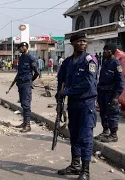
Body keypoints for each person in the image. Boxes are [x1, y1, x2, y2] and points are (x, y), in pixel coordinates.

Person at [56, 33, 97, 180]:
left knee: (85, 137)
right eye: (79, 41)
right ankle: (75, 165)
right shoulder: (67, 62)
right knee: (74, 135)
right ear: (72, 43)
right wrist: (58, 100)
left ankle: (85, 171)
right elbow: (60, 81)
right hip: (72, 104)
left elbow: (88, 84)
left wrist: (66, 91)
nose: (83, 44)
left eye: (85, 41)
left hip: (87, 104)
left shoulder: (89, 60)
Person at [94, 44, 124, 143]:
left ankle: (113, 135)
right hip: (103, 92)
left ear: (111, 51)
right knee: (103, 113)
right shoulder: (106, 62)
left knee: (112, 114)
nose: (104, 52)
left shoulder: (116, 63)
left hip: (111, 94)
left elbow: (120, 81)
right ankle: (105, 131)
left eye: (105, 50)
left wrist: (116, 96)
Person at [10, 42, 39, 133]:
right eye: (19, 48)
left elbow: (36, 72)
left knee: (26, 105)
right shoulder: (21, 58)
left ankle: (28, 125)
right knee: (23, 104)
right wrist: (15, 81)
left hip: (26, 84)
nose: (20, 49)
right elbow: (19, 72)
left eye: (22, 47)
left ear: (25, 47)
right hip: (20, 83)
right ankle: (24, 122)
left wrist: (30, 80)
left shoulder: (31, 58)